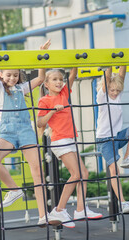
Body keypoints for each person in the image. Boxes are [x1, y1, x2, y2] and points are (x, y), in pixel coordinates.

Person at [0, 39, 61, 226]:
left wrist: (40, 54)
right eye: (8, 75)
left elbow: (39, 79)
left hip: (25, 131)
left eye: (15, 75)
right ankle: (14, 190)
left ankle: (42, 215)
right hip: (7, 132)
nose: (12, 78)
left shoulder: (21, 89)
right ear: (1, 76)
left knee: (37, 171)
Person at [37, 68, 103, 228]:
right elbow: (40, 123)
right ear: (46, 84)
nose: (59, 82)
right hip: (59, 140)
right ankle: (59, 210)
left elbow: (72, 75)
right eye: (54, 79)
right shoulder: (44, 101)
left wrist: (74, 64)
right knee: (76, 174)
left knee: (83, 174)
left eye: (61, 79)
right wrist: (53, 111)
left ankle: (80, 209)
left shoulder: (64, 94)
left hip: (70, 139)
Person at [96, 66, 129, 213]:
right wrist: (108, 64)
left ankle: (127, 157)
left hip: (117, 136)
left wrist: (123, 62)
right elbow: (107, 78)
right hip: (104, 139)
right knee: (114, 170)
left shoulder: (118, 96)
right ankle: (123, 203)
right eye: (112, 90)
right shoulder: (102, 96)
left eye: (118, 90)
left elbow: (122, 76)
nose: (115, 93)